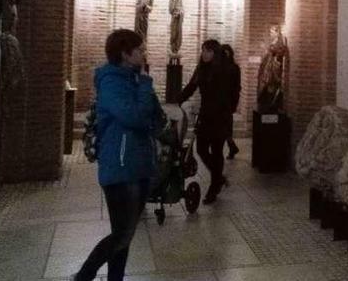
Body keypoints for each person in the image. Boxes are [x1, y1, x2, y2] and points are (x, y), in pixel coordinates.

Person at [73, 29, 163, 281]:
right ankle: (83, 276)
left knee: (125, 234)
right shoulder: (112, 81)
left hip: (139, 164)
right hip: (121, 167)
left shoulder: (135, 78)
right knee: (122, 234)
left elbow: (153, 116)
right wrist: (145, 86)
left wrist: (145, 87)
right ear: (125, 54)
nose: (144, 53)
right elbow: (134, 117)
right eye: (140, 49)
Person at [178, 39, 232, 204]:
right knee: (201, 149)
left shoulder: (223, 71)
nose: (204, 54)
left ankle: (214, 187)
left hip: (220, 117)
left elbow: (225, 96)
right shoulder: (201, 69)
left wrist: (221, 111)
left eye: (208, 51)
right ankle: (219, 177)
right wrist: (177, 100)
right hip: (206, 115)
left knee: (216, 153)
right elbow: (191, 87)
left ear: (215, 53)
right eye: (203, 50)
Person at [222, 44, 241, 159]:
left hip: (228, 101)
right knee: (225, 126)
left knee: (226, 126)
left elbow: (237, 87)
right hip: (219, 101)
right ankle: (232, 146)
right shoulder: (218, 67)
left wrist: (234, 103)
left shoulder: (234, 68)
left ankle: (232, 147)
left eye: (227, 53)